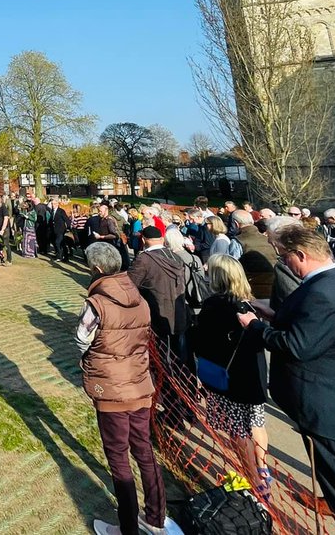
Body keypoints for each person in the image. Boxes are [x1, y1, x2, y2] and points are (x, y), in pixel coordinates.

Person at [238, 224, 335, 535]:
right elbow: (316, 333)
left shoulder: (324, 293)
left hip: (332, 412)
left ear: (301, 255)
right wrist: (274, 317)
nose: (283, 263)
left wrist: (254, 326)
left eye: (284, 258)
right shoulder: (334, 282)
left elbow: (297, 346)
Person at [75, 242, 167, 535]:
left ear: (97, 269)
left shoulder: (96, 303)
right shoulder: (139, 299)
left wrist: (88, 357)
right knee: (143, 449)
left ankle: (128, 527)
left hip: (112, 388)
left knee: (118, 456)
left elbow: (82, 338)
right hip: (139, 383)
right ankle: (156, 516)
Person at [188, 256, 270, 497]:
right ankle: (263, 469)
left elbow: (201, 341)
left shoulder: (215, 305)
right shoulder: (249, 304)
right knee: (256, 422)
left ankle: (254, 480)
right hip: (253, 373)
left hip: (228, 377)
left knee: (238, 430)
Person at [128, 225, 188, 361]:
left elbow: (130, 285)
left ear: (143, 240)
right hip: (178, 310)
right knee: (177, 351)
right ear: (161, 239)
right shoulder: (175, 256)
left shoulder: (144, 259)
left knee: (162, 354)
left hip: (156, 312)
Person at [233, 210, 276, 300]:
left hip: (249, 290)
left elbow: (233, 269)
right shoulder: (267, 240)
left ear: (236, 224)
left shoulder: (237, 241)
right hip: (271, 289)